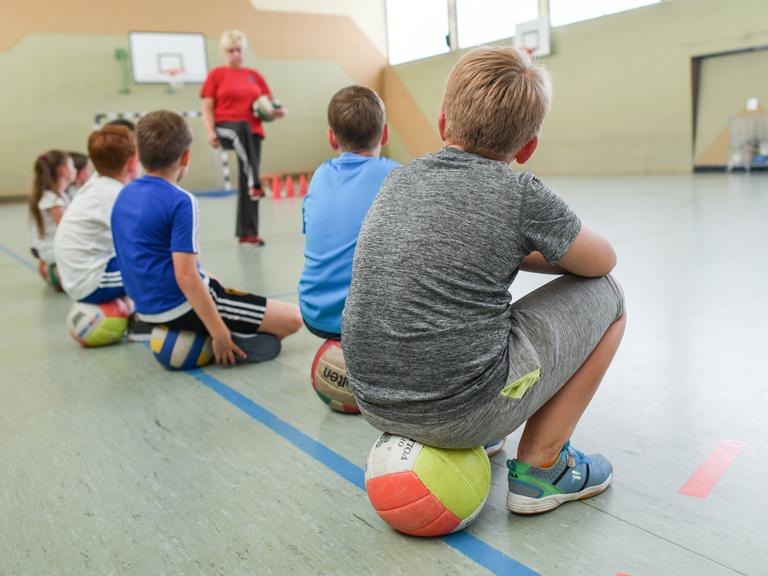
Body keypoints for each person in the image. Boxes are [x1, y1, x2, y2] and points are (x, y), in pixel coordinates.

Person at [342, 47, 626, 515]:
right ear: (528, 146)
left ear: (442, 122)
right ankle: (543, 466)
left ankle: (491, 431)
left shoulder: (399, 180)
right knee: (609, 296)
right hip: (461, 413)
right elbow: (602, 261)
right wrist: (532, 247)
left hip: (372, 401)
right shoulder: (520, 193)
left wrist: (506, 249)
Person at [111, 110, 302, 365]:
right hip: (179, 305)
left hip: (145, 308)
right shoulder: (181, 201)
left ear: (139, 155)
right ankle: (224, 340)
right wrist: (218, 332)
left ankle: (212, 326)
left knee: (213, 280)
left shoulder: (123, 194)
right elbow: (186, 276)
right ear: (186, 156)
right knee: (293, 318)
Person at [298, 86, 400, 341]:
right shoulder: (397, 175)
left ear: (332, 138)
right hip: (368, 321)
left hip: (314, 313)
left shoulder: (320, 175)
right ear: (385, 134)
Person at [201, 30, 285, 246]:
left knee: (247, 176)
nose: (236, 54)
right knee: (243, 137)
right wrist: (210, 132)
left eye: (239, 50)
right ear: (223, 52)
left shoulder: (254, 76)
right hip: (226, 129)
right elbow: (207, 107)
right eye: (231, 51)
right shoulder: (216, 75)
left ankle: (248, 234)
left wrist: (277, 112)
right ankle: (256, 182)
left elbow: (269, 106)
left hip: (252, 133)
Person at [55, 126, 138, 305]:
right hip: (90, 280)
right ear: (132, 163)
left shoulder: (98, 183)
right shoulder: (112, 194)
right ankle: (148, 323)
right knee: (160, 268)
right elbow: (143, 241)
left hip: (79, 272)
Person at [28, 150, 76, 290]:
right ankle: (54, 271)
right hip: (52, 250)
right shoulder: (53, 200)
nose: (75, 170)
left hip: (53, 249)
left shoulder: (59, 194)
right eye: (72, 166)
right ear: (63, 171)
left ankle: (53, 269)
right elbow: (68, 229)